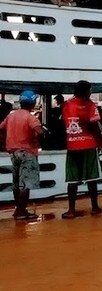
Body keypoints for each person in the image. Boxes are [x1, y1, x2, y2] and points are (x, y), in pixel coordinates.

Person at [62, 80, 102, 219]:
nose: (90, 92)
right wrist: (100, 143)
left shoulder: (67, 105)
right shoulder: (89, 105)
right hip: (88, 144)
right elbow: (94, 125)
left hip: (72, 145)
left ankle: (71, 210)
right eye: (89, 90)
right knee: (92, 177)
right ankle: (94, 207)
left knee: (73, 179)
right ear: (86, 91)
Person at [0, 91, 45, 221]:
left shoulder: (11, 116)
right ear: (32, 103)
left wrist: (5, 141)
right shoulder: (30, 117)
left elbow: (1, 128)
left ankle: (18, 209)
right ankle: (21, 212)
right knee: (25, 183)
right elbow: (40, 131)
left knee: (16, 182)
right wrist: (36, 140)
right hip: (27, 152)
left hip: (13, 152)